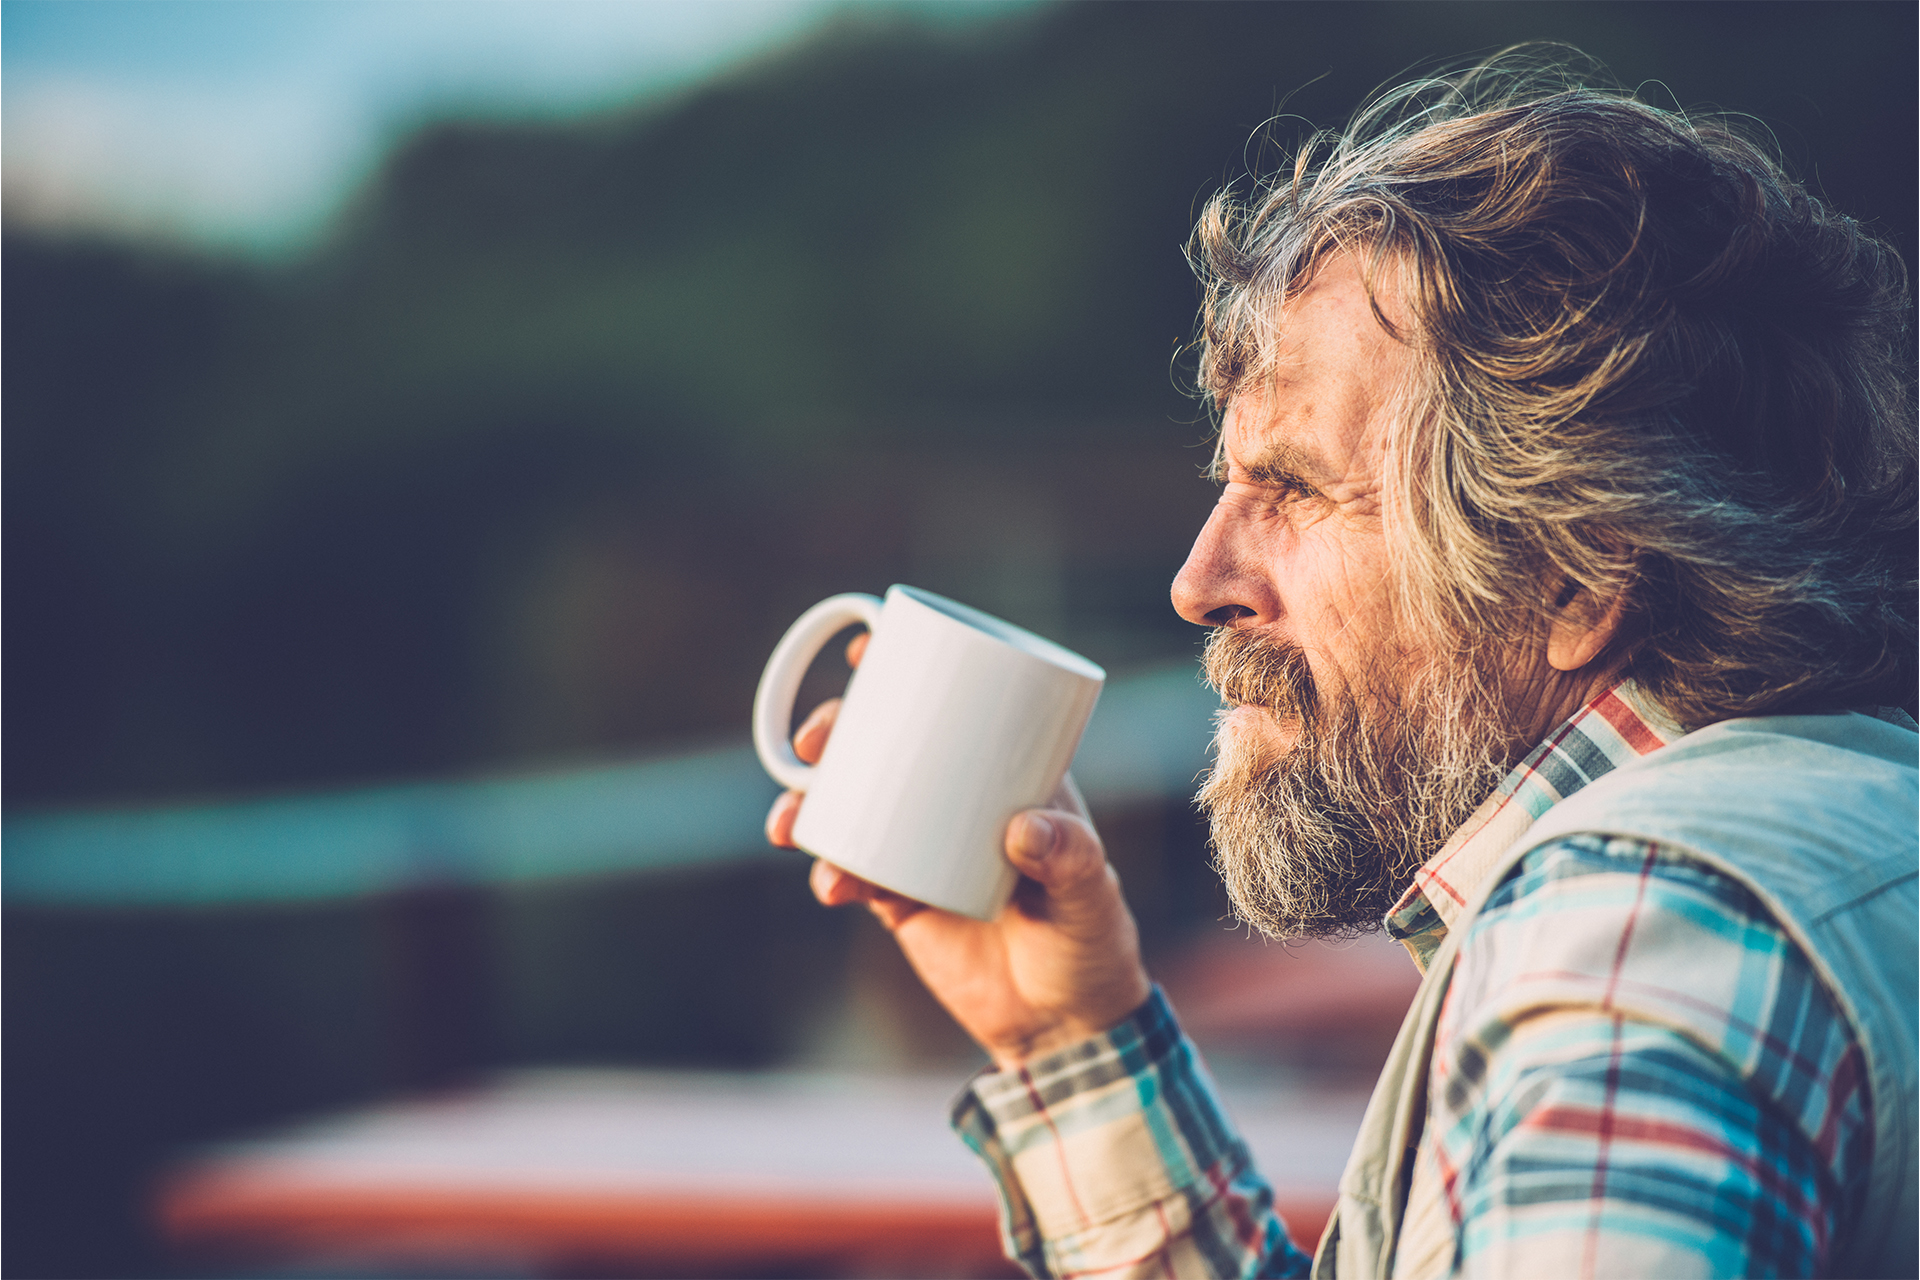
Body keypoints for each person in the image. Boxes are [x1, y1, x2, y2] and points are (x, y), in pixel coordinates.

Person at [766, 53, 1918, 1279]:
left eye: (1293, 486)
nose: (1200, 579)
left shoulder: (1628, 926)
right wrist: (1074, 1035)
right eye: (1228, 486)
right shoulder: (1843, 822)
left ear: (1576, 576)